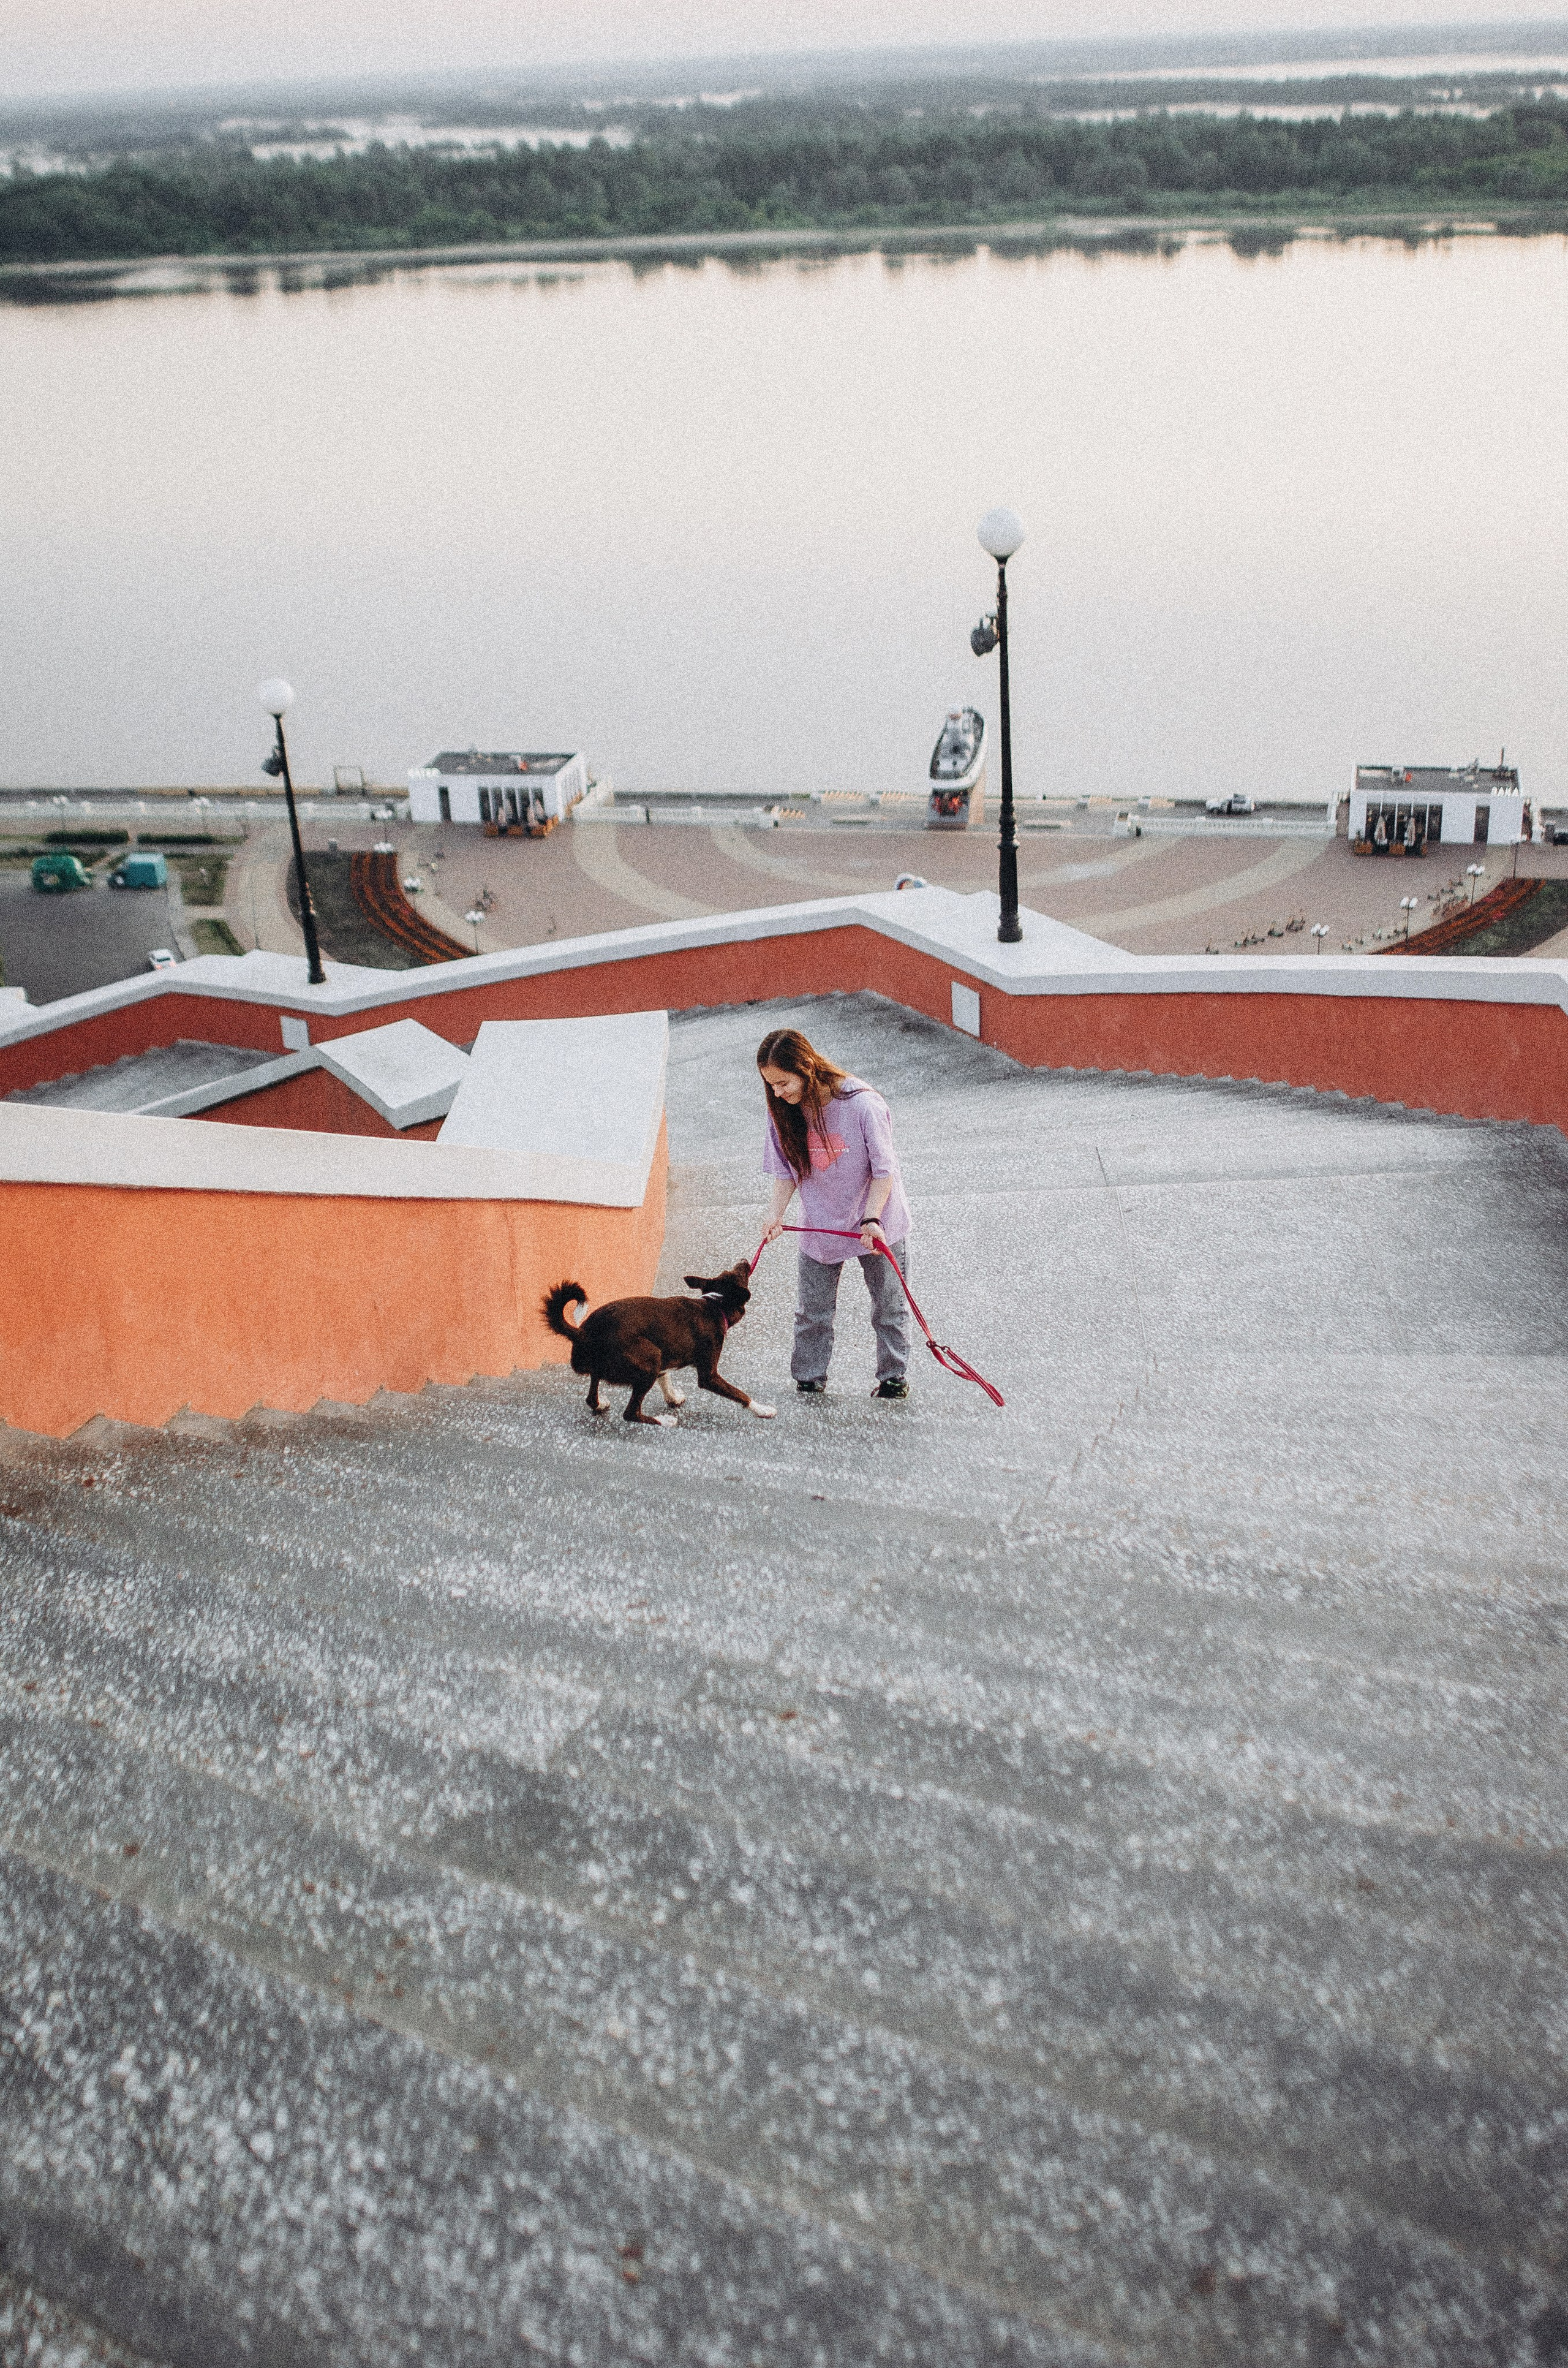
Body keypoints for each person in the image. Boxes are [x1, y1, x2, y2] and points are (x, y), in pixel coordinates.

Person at [756, 1026, 913, 1399]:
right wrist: (774, 1214)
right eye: (771, 1085)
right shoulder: (782, 1111)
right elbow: (786, 1169)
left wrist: (872, 1219)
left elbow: (884, 1170)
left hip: (877, 1224)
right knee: (812, 1311)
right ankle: (809, 1379)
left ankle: (893, 1378)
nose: (778, 1093)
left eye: (783, 1082)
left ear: (806, 1066)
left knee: (889, 1307)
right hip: (821, 1226)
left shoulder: (862, 1104)